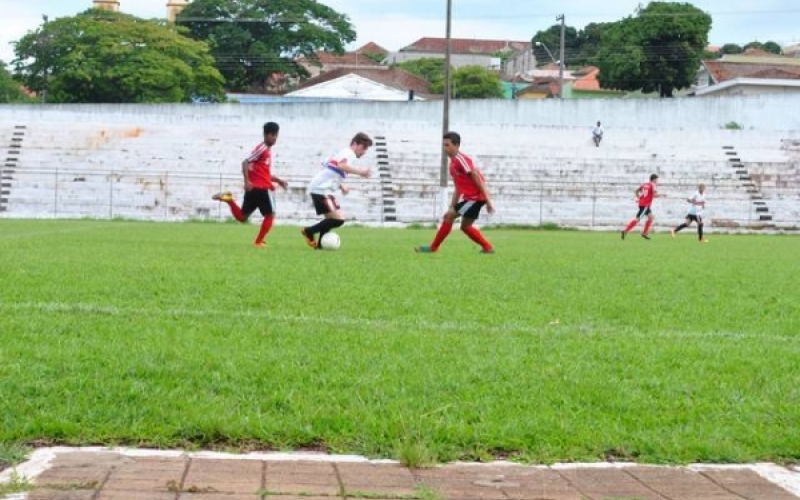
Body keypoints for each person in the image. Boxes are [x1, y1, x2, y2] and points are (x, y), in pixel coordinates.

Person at [415, 131, 495, 254]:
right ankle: (487, 248)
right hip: (472, 198)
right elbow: (458, 187)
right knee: (465, 226)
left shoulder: (461, 159)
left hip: (475, 198)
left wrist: (489, 200)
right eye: (444, 145)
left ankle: (433, 248)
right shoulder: (453, 164)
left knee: (449, 217)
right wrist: (452, 205)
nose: (445, 148)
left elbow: (477, 178)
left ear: (456, 145)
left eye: (447, 145)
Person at [211, 121, 287, 248]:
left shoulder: (264, 150)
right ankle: (258, 242)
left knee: (242, 217)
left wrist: (278, 181)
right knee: (270, 214)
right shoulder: (262, 149)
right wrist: (247, 181)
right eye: (273, 135)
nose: (275, 139)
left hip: (255, 189)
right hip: (262, 189)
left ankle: (229, 200)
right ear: (267, 135)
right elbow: (245, 162)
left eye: (276, 136)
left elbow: (264, 174)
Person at [300, 132, 373, 249]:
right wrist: (361, 172)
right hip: (321, 189)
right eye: (363, 147)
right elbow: (341, 165)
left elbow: (330, 166)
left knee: (330, 219)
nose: (364, 152)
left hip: (321, 188)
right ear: (355, 144)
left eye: (366, 149)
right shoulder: (349, 154)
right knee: (338, 220)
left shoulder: (344, 153)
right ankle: (309, 231)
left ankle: (320, 246)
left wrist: (341, 185)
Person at [621, 173, 660, 240]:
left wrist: (639, 199)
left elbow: (636, 191)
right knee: (638, 219)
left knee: (651, 217)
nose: (657, 181)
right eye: (657, 179)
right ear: (654, 179)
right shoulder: (653, 185)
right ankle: (625, 231)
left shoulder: (645, 184)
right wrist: (661, 195)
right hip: (645, 205)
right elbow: (654, 195)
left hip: (643, 204)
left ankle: (644, 233)